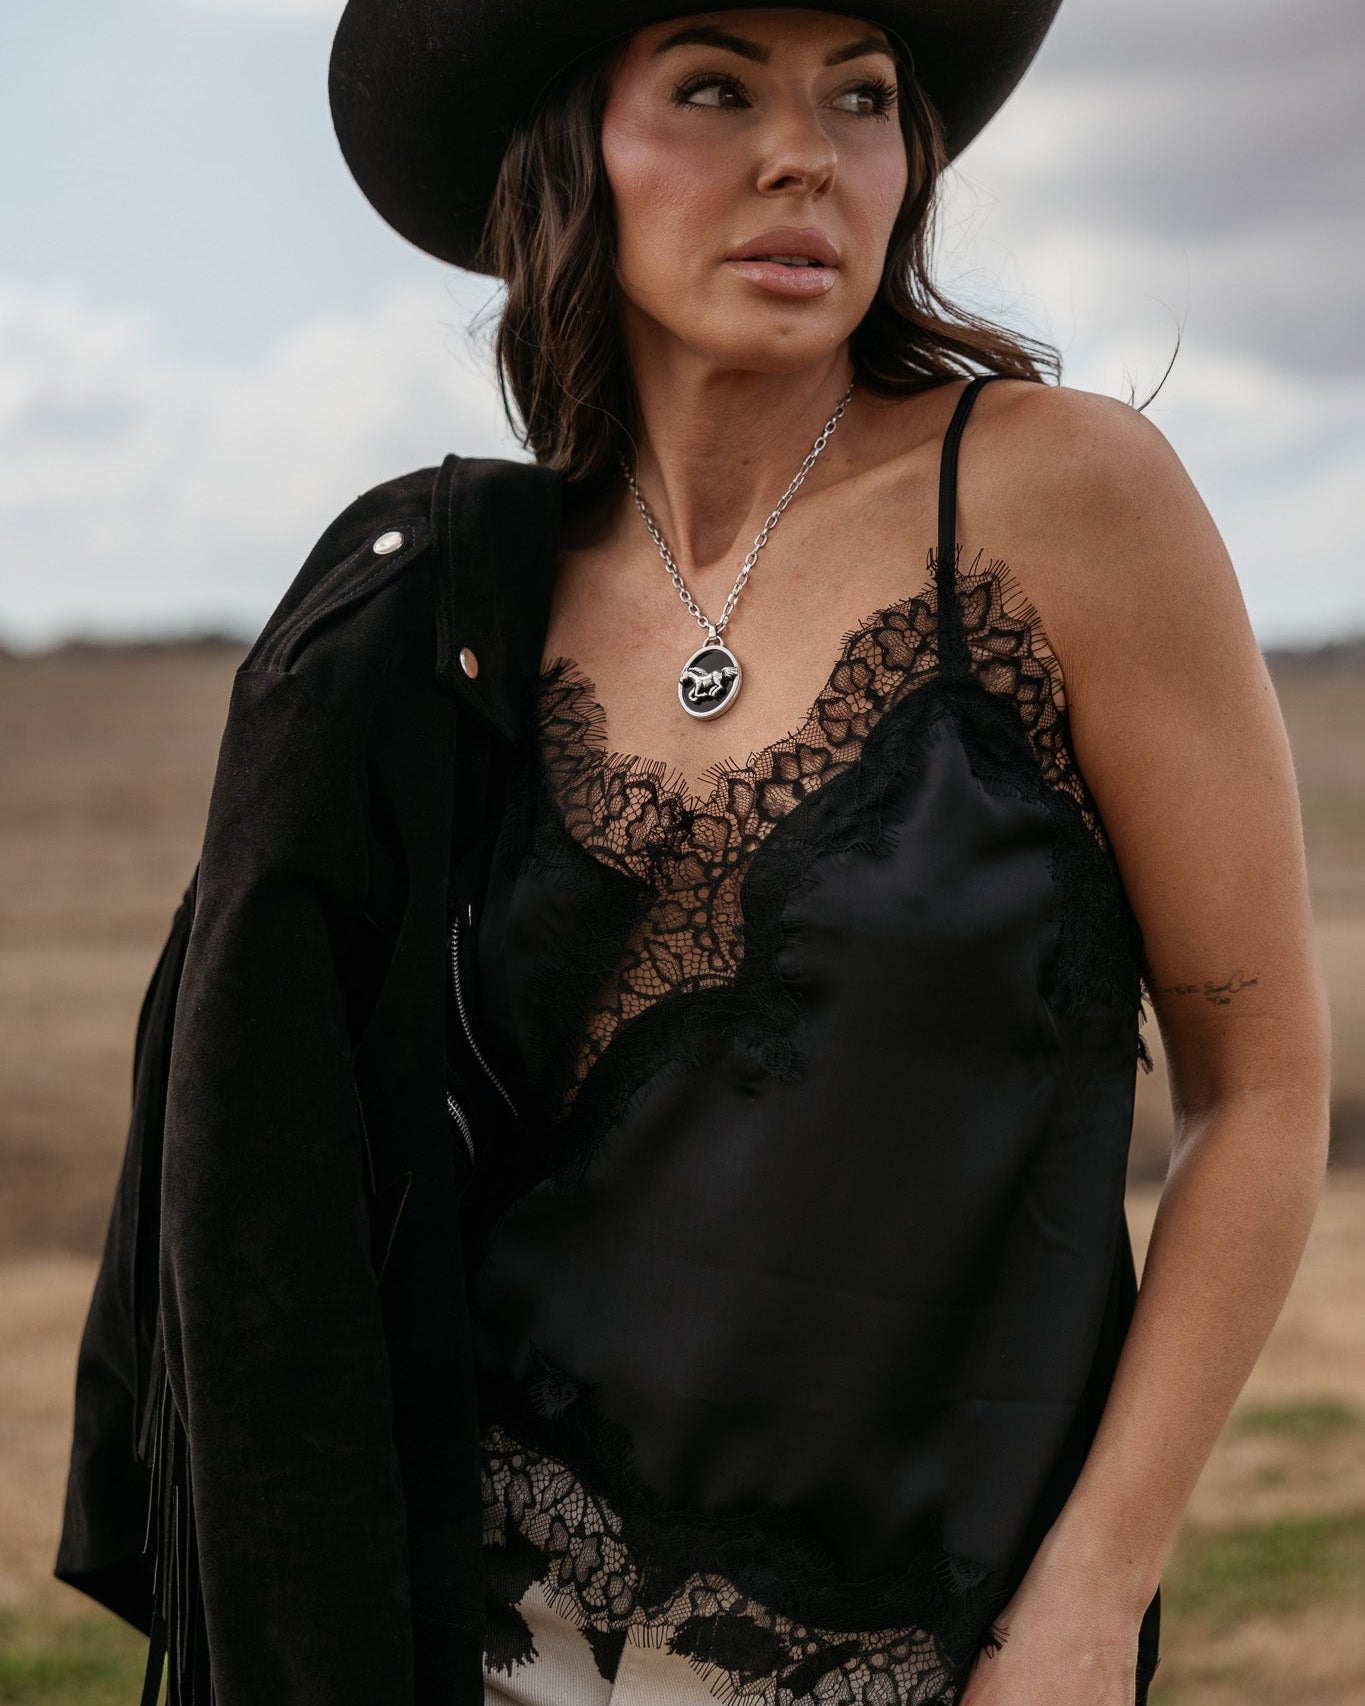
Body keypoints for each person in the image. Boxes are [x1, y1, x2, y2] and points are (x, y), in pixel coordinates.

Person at [53, 4, 1332, 1706]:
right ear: (570, 150)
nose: (804, 150)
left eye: (860, 95)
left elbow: (1260, 1088)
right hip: (471, 1639)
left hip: (909, 1650)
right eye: (715, 87)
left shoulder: (1057, 496)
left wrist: (1093, 1591)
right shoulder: (457, 609)